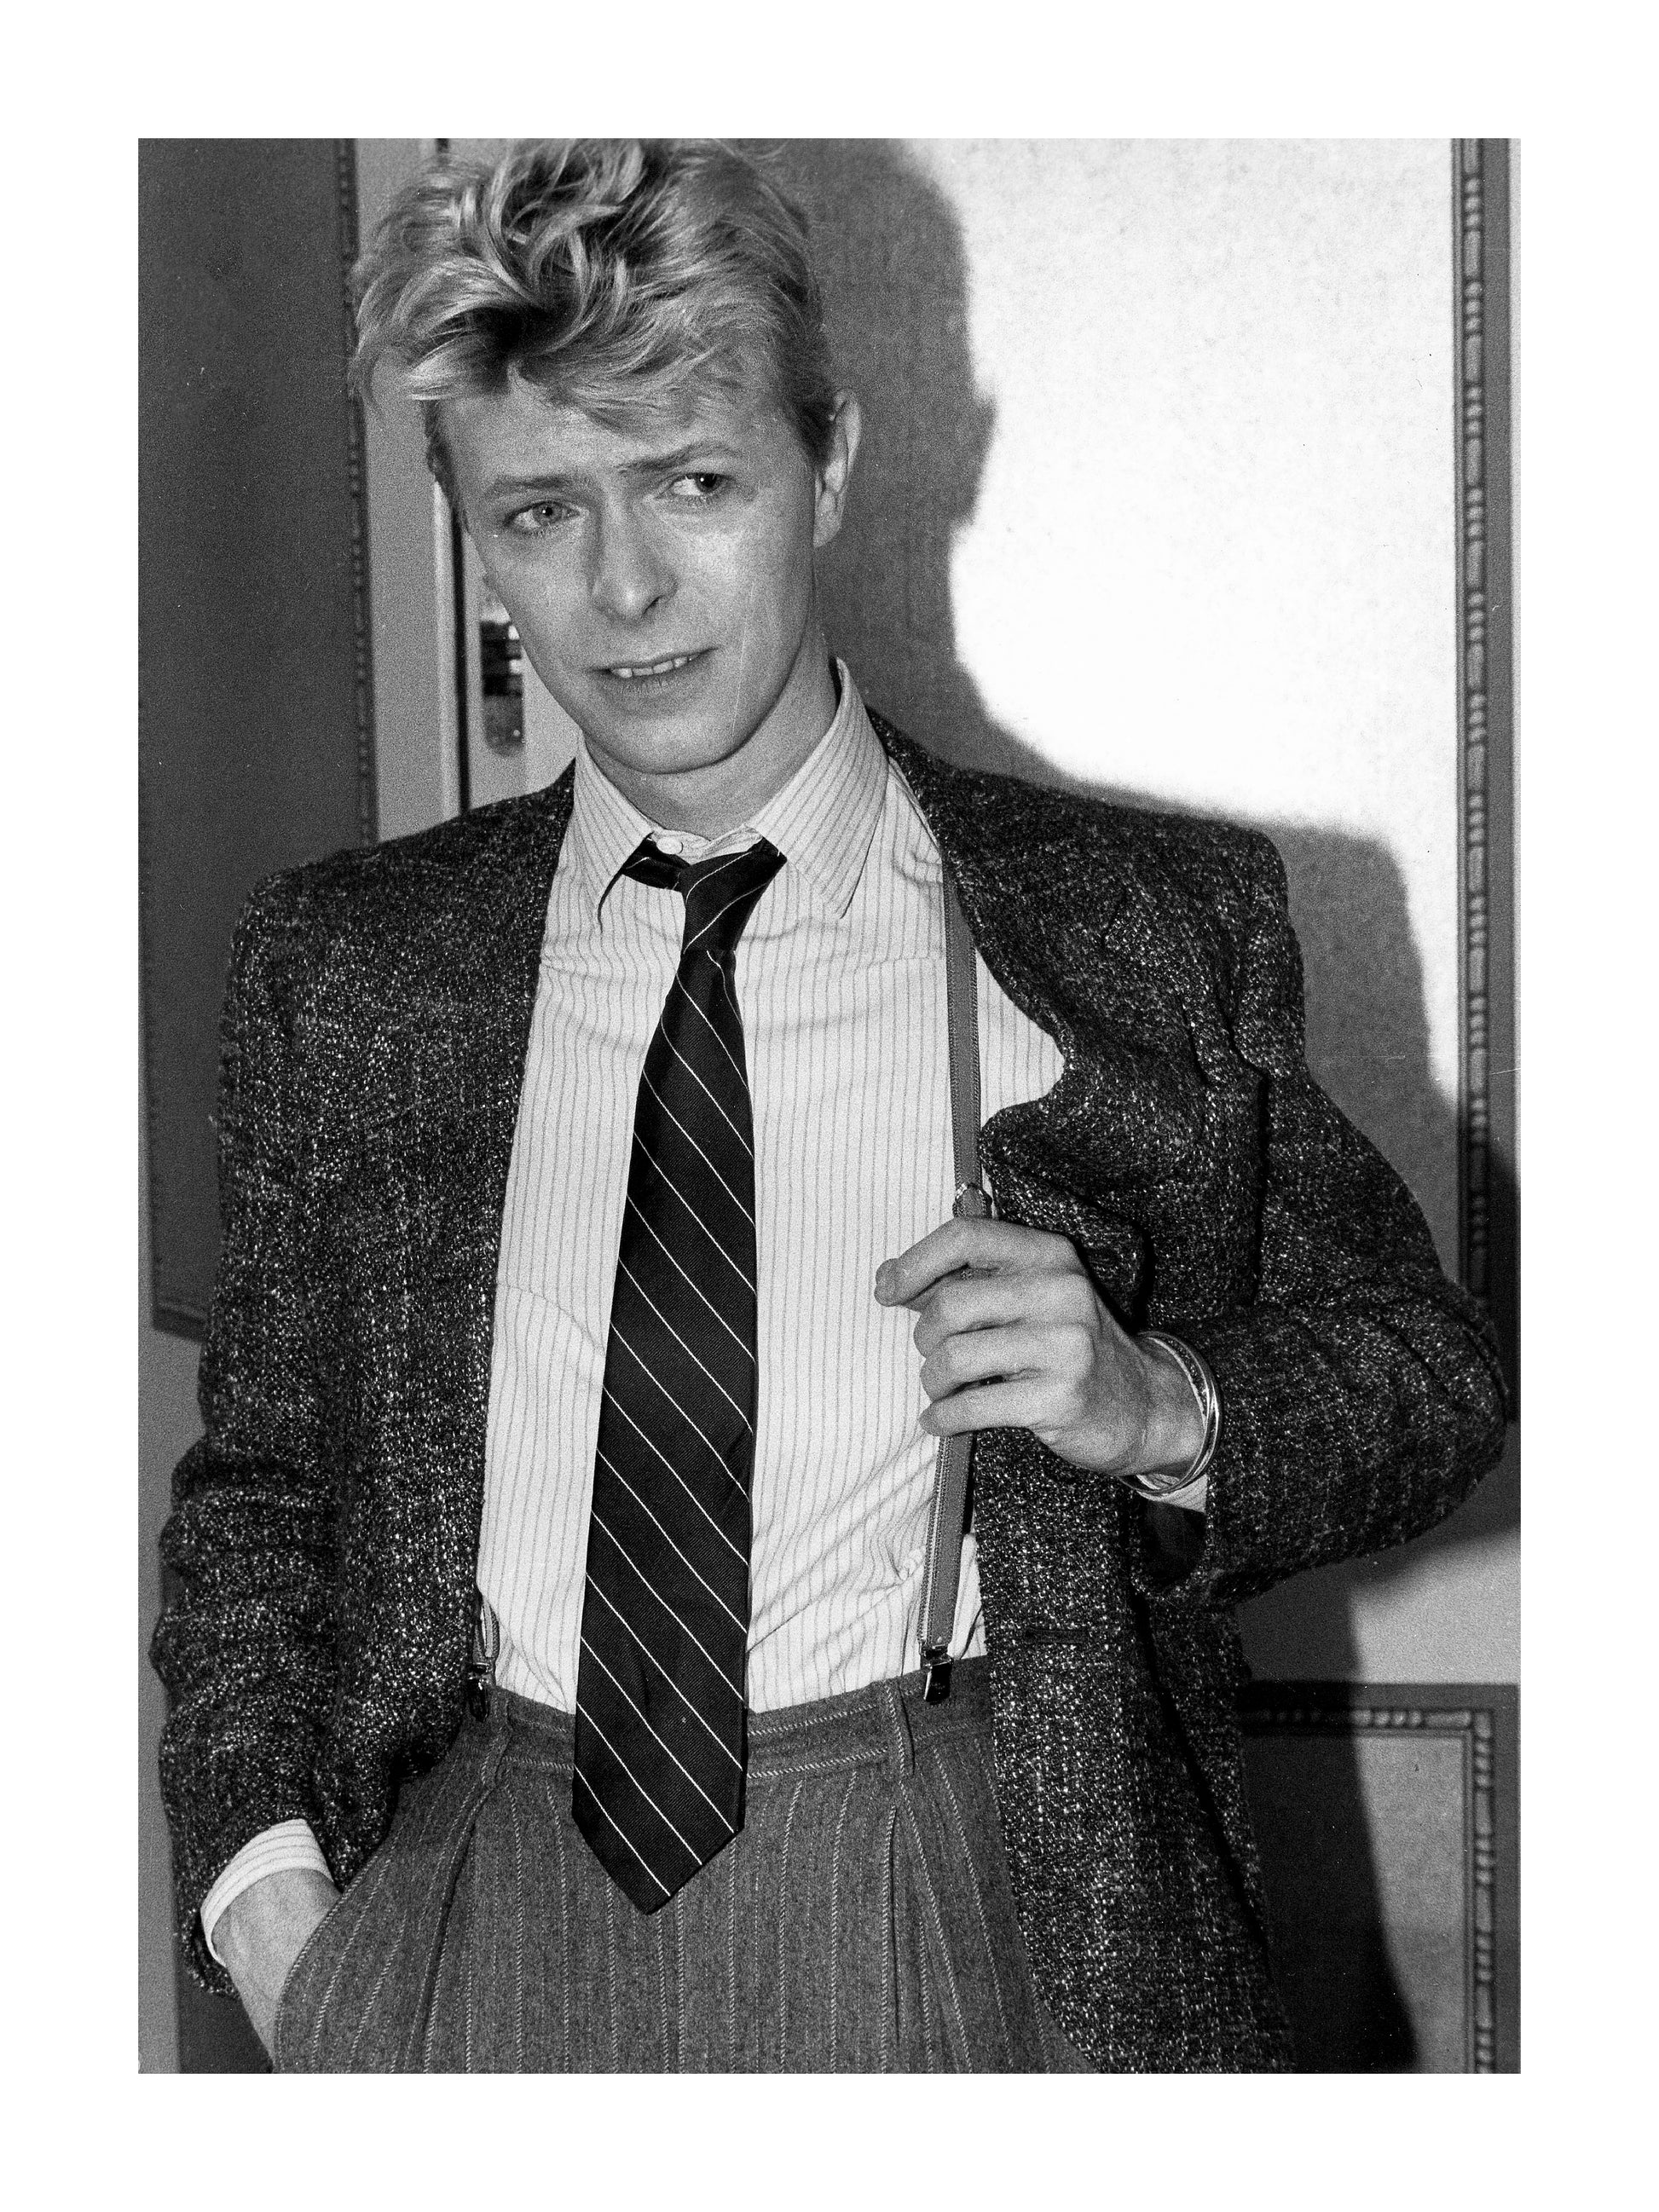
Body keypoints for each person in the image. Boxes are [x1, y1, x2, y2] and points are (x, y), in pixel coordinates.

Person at [152, 137, 1507, 2073]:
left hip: (966, 1890)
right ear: (468, 530)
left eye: (694, 482)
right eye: (541, 509)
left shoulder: (1140, 927)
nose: (625, 586)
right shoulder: (352, 966)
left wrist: (1164, 1409)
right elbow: (265, 1498)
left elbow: (1426, 1379)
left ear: (831, 461)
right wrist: (279, 1920)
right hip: (473, 1907)